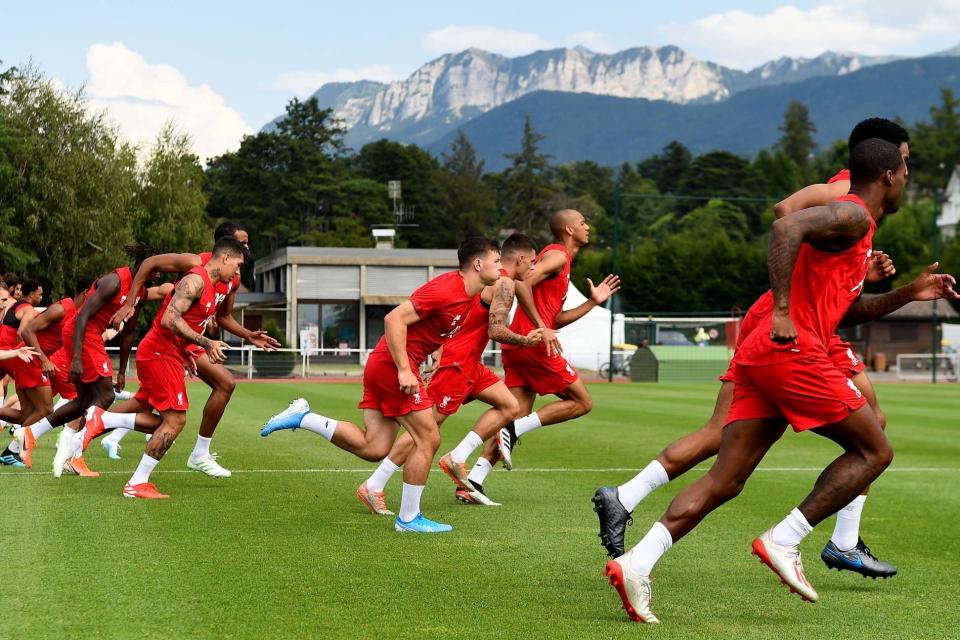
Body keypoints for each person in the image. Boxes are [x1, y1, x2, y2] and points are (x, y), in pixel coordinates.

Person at [605, 139, 957, 623]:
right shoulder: (852, 214)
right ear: (890, 177)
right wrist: (785, 311)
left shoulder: (860, 231)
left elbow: (848, 312)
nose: (908, 179)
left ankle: (636, 563)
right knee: (875, 450)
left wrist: (909, 293)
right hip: (791, 350)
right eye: (907, 170)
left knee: (725, 480)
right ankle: (786, 539)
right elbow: (784, 225)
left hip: (764, 356)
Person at [260, 237, 502, 533]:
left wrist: (428, 359)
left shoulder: (468, 295)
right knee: (428, 438)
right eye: (497, 261)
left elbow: (430, 330)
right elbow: (394, 319)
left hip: (384, 363)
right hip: (391, 366)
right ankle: (409, 518)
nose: (500, 267)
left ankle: (304, 417)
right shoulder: (447, 288)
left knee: (374, 446)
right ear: (478, 264)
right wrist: (404, 369)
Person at [355, 233, 543, 513]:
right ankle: (376, 484)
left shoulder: (493, 279)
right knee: (426, 432)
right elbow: (496, 330)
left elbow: (451, 318)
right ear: (520, 259)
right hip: (458, 363)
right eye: (533, 261)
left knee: (509, 405)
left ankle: (458, 455)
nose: (535, 267)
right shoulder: (503, 282)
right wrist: (527, 339)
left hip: (471, 363)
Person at [103, 221, 278, 475]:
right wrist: (130, 303)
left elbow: (224, 317)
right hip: (174, 339)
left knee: (159, 400)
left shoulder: (233, 279)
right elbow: (150, 265)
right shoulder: (195, 264)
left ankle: (88, 431)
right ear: (225, 247)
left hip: (190, 342)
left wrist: (249, 335)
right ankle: (94, 431)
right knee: (169, 408)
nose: (246, 246)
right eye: (242, 242)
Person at [84, 237, 245, 498]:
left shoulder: (211, 284)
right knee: (175, 420)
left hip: (166, 352)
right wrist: (205, 343)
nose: (237, 272)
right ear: (225, 257)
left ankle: (106, 424)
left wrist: (185, 352)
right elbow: (170, 319)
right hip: (159, 352)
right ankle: (135, 479)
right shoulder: (195, 280)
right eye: (237, 265)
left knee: (159, 418)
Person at [10, 243, 161, 471]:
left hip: (89, 337)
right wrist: (77, 358)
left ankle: (30, 433)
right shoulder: (115, 281)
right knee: (106, 395)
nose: (158, 274)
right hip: (82, 333)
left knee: (82, 401)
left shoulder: (138, 292)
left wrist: (121, 371)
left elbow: (128, 332)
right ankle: (74, 454)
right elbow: (81, 318)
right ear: (144, 264)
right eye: (156, 268)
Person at [493, 209, 620, 480]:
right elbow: (521, 282)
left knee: (516, 411)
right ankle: (515, 430)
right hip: (535, 344)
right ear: (570, 230)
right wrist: (541, 326)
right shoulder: (558, 255)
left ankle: (473, 479)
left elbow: (557, 320)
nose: (588, 226)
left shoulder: (561, 263)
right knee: (582, 402)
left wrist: (592, 302)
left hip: (519, 344)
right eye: (583, 222)